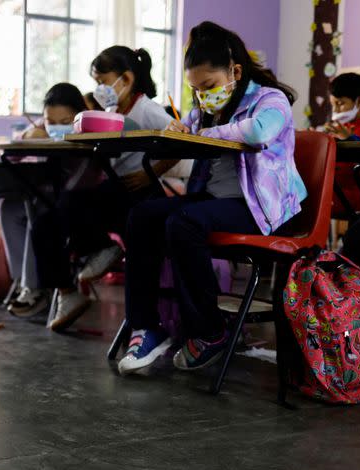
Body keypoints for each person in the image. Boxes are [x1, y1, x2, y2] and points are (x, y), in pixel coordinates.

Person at [118, 21, 306, 373]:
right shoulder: (207, 107)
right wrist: (178, 129)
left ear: (235, 71)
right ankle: (146, 326)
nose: (203, 96)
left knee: (183, 223)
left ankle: (210, 331)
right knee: (143, 215)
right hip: (215, 202)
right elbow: (188, 128)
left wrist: (205, 129)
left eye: (208, 86)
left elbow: (258, 131)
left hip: (261, 209)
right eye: (196, 89)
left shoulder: (270, 99)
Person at [36, 46, 176, 332]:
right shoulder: (111, 110)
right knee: (46, 223)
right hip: (116, 190)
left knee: (71, 206)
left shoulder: (147, 109)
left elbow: (179, 143)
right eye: (96, 81)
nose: (99, 88)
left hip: (140, 194)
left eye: (102, 81)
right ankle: (70, 292)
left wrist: (150, 175)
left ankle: (107, 254)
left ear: (125, 79)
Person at [0, 83, 102, 317]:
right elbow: (12, 158)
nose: (56, 128)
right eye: (50, 122)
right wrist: (28, 135)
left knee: (37, 207)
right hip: (49, 192)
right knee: (9, 208)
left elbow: (82, 179)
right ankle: (23, 281)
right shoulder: (42, 131)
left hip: (78, 197)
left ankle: (35, 289)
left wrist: (57, 198)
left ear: (78, 116)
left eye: (64, 121)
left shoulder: (90, 136)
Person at [323, 72, 360, 215]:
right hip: (330, 196)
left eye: (340, 103)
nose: (335, 110)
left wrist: (349, 139)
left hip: (356, 201)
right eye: (333, 104)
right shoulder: (335, 129)